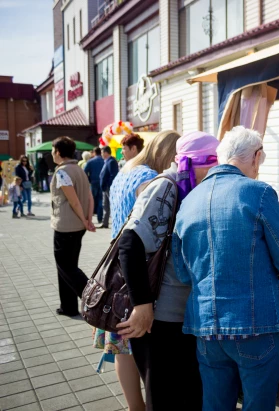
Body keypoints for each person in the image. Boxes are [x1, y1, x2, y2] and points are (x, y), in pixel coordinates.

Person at [173, 126, 279, 411]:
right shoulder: (257, 192)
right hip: (255, 322)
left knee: (216, 405)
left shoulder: (188, 200)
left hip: (206, 324)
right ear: (256, 157)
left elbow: (183, 272)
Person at [114, 131, 220, 410]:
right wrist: (142, 305)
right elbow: (129, 243)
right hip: (159, 318)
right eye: (211, 164)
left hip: (184, 316)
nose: (215, 171)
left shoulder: (192, 186)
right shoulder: (166, 186)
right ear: (194, 163)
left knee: (187, 395)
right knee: (163, 398)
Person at [93, 130, 181, 411]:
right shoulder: (149, 179)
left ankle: (135, 406)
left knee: (121, 348)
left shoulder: (126, 171)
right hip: (138, 274)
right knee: (143, 351)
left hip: (116, 273)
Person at [50, 136, 95, 317]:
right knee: (67, 267)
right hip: (77, 226)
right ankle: (68, 306)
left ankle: (94, 300)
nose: (52, 154)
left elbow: (74, 201)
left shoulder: (62, 172)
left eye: (53, 151)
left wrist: (85, 220)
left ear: (58, 152)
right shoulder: (79, 169)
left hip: (66, 226)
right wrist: (88, 219)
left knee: (67, 268)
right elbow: (89, 197)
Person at [99, 146, 119, 229]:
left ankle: (115, 222)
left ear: (106, 153)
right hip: (105, 188)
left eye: (102, 152)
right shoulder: (107, 161)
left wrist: (108, 185)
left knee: (111, 205)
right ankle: (105, 223)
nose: (101, 154)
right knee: (105, 205)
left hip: (108, 188)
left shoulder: (111, 161)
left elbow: (113, 175)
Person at [84, 147, 104, 224]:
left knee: (92, 200)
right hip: (102, 182)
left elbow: (84, 172)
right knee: (100, 200)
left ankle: (90, 218)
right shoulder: (104, 161)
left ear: (94, 152)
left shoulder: (90, 161)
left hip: (93, 182)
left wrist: (89, 179)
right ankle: (100, 218)